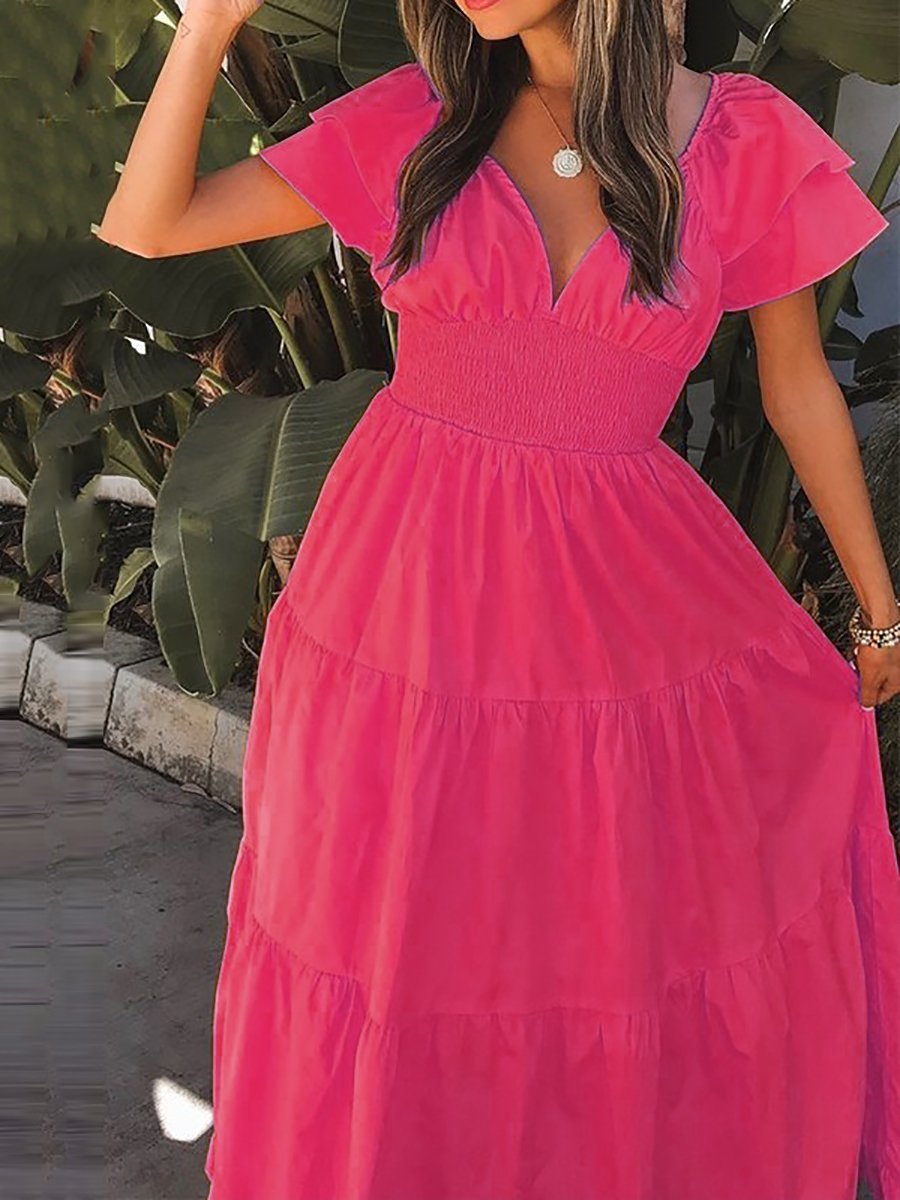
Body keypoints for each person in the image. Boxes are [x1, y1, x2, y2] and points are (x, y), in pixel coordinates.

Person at [97, 0, 900, 1196]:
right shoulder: (424, 124)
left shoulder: (743, 140)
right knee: (403, 936)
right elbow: (150, 224)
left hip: (618, 608)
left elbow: (797, 389)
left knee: (587, 944)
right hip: (401, 603)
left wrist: (880, 610)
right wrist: (209, 26)